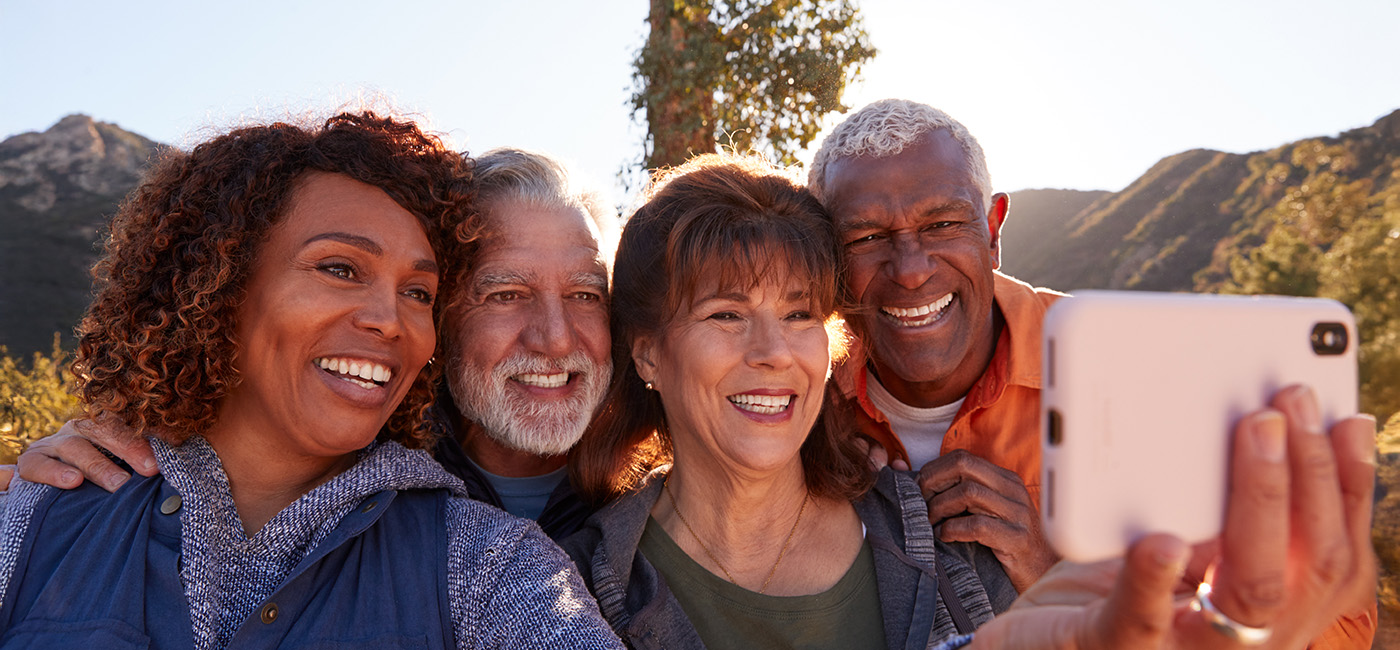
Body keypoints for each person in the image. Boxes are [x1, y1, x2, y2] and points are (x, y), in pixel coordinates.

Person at [0, 112, 622, 649]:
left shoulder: (488, 564)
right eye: (339, 268)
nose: (389, 319)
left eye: (417, 291)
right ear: (220, 285)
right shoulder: (41, 517)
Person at [805, 98, 1377, 647]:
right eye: (867, 238)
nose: (910, 270)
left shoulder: (1146, 375)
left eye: (942, 224)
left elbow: (1338, 623)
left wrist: (1059, 578)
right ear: (828, 258)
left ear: (993, 228)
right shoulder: (798, 400)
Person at [562, 154, 1016, 650]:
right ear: (648, 355)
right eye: (727, 315)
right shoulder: (572, 593)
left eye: (799, 314)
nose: (774, 353)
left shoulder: (949, 547)